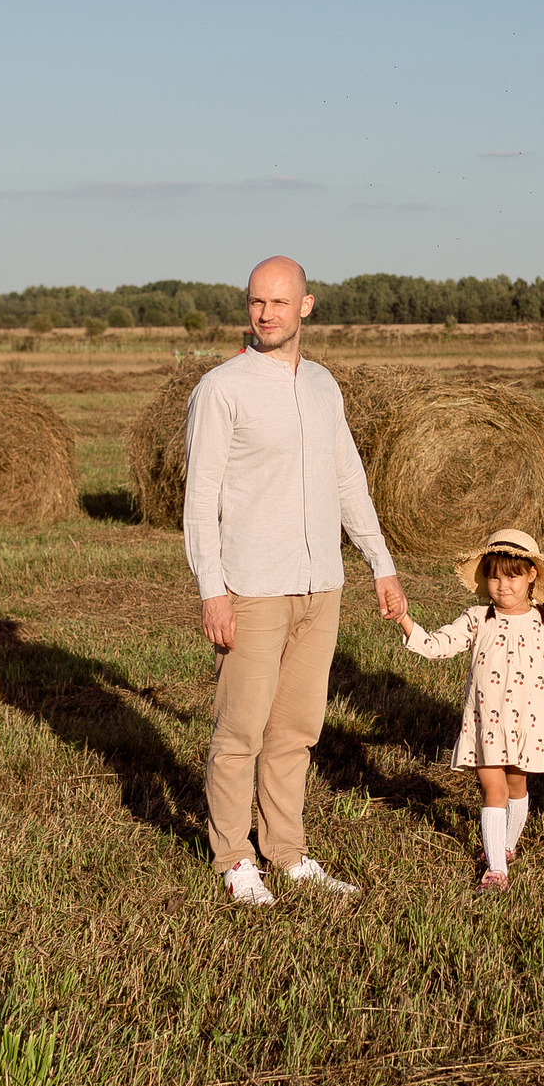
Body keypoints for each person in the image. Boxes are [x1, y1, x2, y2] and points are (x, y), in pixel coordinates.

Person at [183, 255, 408, 906]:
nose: (266, 313)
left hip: (321, 585)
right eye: (257, 301)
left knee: (296, 732)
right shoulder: (221, 388)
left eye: (279, 302)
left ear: (306, 306)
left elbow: (348, 478)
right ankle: (234, 856)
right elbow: (200, 500)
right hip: (252, 586)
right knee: (239, 732)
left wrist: (381, 563)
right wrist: (212, 590)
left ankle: (285, 851)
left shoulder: (322, 385)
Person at [396, 529, 544, 892]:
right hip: (486, 724)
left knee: (516, 786)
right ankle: (496, 869)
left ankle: (507, 846)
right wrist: (404, 619)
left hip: (526, 723)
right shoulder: (477, 618)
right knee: (492, 790)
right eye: (495, 577)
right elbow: (437, 645)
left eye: (512, 576)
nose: (503, 585)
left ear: (532, 575)